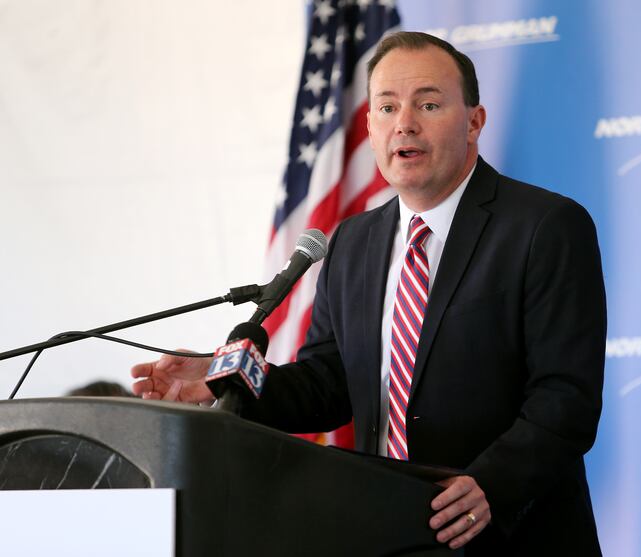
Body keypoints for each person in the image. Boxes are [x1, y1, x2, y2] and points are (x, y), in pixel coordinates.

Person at [131, 32, 606, 555]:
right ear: (371, 127)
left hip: (510, 535)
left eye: (428, 104)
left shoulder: (545, 227)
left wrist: (492, 484)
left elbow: (565, 398)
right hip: (388, 531)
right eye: (387, 106)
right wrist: (225, 378)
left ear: (474, 122)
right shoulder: (353, 241)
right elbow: (326, 383)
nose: (405, 123)